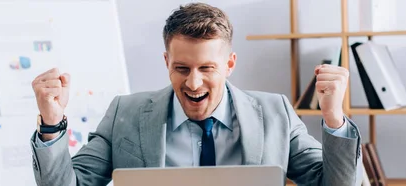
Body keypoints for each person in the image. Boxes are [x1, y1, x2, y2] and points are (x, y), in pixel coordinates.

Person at [29, 2, 362, 186]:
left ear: (229, 63)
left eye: (207, 68)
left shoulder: (275, 111)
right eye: (182, 68)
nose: (193, 83)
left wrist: (333, 119)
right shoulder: (124, 114)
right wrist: (52, 124)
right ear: (166, 62)